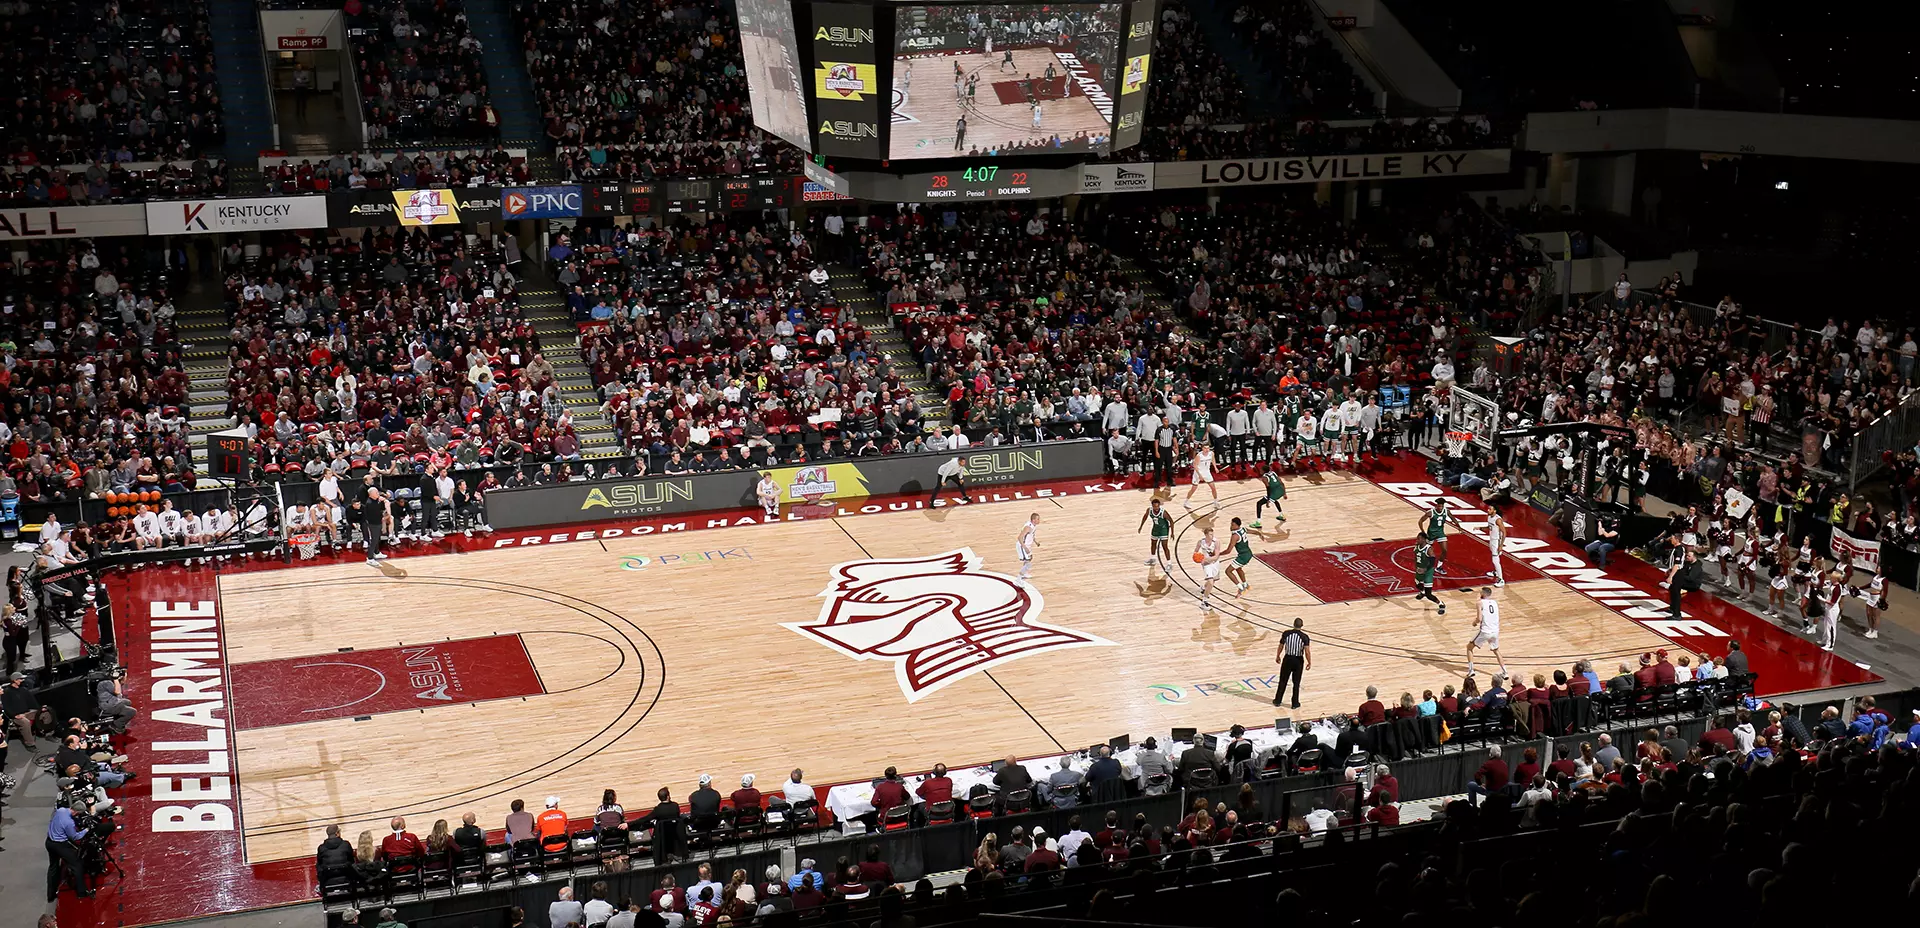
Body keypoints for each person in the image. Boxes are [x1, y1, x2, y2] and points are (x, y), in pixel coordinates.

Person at [1466, 587, 1506, 677]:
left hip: (1485, 631)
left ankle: (1471, 670)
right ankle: (1505, 672)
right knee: (1496, 650)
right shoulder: (1495, 603)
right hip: (1495, 630)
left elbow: (1479, 618)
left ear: (1483, 594)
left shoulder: (1479, 603)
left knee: (1469, 648)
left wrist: (1474, 623)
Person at [1274, 618, 1310, 709]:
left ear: (1293, 624)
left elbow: (1281, 646)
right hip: (1298, 660)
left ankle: (1278, 701)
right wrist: (1309, 662)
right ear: (1301, 626)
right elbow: (1307, 651)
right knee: (1296, 683)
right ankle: (1295, 703)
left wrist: (1278, 655)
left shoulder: (1286, 633)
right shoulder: (1304, 637)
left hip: (1287, 659)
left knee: (1283, 680)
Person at [1138, 497, 1173, 572]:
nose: (1156, 508)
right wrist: (1141, 526)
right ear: (1152, 506)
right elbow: (1145, 517)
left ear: (1159, 505)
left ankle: (1169, 564)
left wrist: (1172, 533)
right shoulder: (1149, 510)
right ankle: (1153, 559)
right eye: (1155, 506)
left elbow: (1171, 521)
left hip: (1164, 530)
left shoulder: (1163, 512)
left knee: (1165, 547)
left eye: (1157, 506)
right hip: (1155, 529)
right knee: (1153, 544)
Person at [1195, 525, 1224, 612]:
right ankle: (1204, 602)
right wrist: (1198, 558)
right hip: (1206, 564)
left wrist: (1206, 559)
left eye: (1212, 534)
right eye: (1210, 534)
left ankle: (1203, 588)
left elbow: (1216, 556)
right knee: (1211, 582)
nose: (1212, 536)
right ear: (1206, 535)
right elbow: (1195, 551)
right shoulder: (1201, 542)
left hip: (1215, 563)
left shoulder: (1216, 542)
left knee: (1212, 581)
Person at [1412, 536, 1445, 613]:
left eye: (1419, 539)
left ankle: (1441, 604)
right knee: (1417, 584)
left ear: (1423, 539)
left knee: (1428, 595)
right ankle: (1422, 591)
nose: (1417, 540)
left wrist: (1425, 569)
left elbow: (1433, 561)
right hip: (1419, 570)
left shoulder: (1428, 549)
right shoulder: (1416, 547)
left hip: (1428, 572)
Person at [1182, 441, 1217, 509]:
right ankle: (1186, 501)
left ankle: (1216, 502)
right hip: (1198, 473)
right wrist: (1200, 475)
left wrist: (1215, 467)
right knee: (1193, 489)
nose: (1207, 450)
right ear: (1202, 448)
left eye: (1208, 448)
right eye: (1205, 448)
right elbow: (1195, 466)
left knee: (1213, 488)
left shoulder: (1211, 453)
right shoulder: (1199, 456)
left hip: (1207, 472)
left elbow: (1213, 460)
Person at [1226, 517, 1255, 594]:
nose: (1230, 526)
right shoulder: (1243, 529)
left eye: (1232, 525)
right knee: (1238, 568)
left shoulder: (1235, 536)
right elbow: (1251, 531)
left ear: (1236, 525)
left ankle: (1241, 588)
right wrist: (1259, 533)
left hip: (1243, 556)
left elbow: (1228, 551)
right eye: (1231, 524)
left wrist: (1217, 554)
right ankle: (1245, 584)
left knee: (1228, 571)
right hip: (1248, 553)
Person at [1419, 499, 1452, 563]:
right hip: (1431, 533)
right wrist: (1423, 532)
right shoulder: (1430, 512)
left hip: (1440, 533)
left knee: (1445, 550)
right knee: (1427, 550)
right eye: (1439, 506)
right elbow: (1420, 521)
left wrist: (1459, 527)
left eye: (1442, 506)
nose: (1440, 508)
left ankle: (1439, 566)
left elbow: (1453, 518)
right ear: (1436, 506)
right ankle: (1421, 557)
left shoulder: (1446, 511)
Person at [1485, 513, 1509, 587]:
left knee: (1495, 560)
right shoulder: (1489, 517)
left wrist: (1501, 545)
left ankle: (1501, 580)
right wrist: (1480, 528)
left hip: (1497, 541)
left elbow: (1504, 532)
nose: (1488, 510)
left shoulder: (1498, 520)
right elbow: (1489, 527)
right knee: (1496, 559)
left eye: (1490, 509)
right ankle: (1496, 572)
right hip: (1492, 539)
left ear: (1495, 510)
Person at [1014, 513, 1040, 581]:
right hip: (1022, 545)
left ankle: (1024, 573)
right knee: (1028, 562)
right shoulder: (1028, 527)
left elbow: (1032, 535)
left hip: (1027, 545)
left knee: (1029, 558)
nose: (1039, 520)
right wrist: (1025, 548)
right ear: (1033, 520)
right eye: (1038, 519)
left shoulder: (1034, 526)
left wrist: (1036, 542)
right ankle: (1019, 578)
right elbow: (1019, 537)